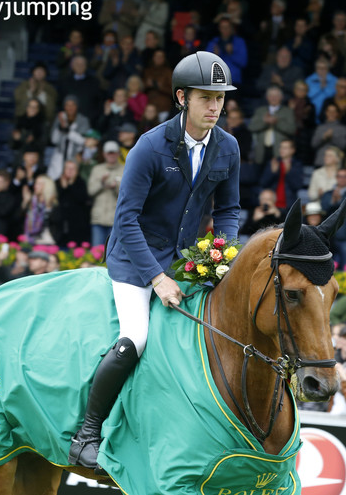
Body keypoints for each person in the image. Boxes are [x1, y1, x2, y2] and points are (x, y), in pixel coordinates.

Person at [68, 52, 240, 470]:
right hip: (134, 257)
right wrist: (157, 278)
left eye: (220, 98)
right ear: (182, 97)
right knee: (137, 339)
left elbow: (230, 210)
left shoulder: (228, 147)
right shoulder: (150, 145)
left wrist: (222, 253)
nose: (215, 106)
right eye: (206, 97)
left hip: (185, 257)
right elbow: (124, 219)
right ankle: (86, 433)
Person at [320, 169, 346, 269]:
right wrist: (333, 201)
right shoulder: (328, 194)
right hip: (329, 238)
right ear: (336, 178)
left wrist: (339, 201)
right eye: (340, 176)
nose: (342, 179)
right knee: (326, 268)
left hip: (345, 237)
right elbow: (323, 210)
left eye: (345, 176)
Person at [88, 143, 124, 246]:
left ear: (118, 154)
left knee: (113, 253)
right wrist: (102, 184)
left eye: (114, 153)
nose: (111, 155)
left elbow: (127, 194)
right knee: (96, 253)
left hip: (116, 220)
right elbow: (90, 191)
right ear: (104, 154)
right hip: (98, 218)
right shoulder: (97, 169)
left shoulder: (125, 169)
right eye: (109, 153)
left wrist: (115, 187)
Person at [23, 174, 58, 245]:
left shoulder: (52, 204)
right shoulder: (32, 202)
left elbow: (56, 225)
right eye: (35, 183)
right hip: (30, 241)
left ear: (47, 186)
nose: (35, 186)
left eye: (39, 184)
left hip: (47, 242)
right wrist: (25, 202)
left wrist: (48, 208)